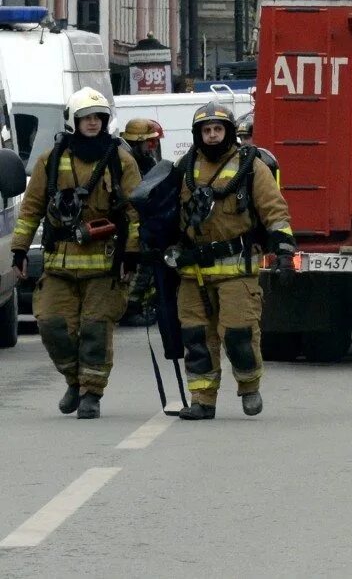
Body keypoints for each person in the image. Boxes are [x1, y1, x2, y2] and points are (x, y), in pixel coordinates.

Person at [9, 89, 141, 418]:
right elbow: (31, 210)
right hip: (59, 264)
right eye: (86, 118)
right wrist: (19, 250)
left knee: (96, 329)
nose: (92, 123)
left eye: (98, 117)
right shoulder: (50, 160)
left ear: (106, 121)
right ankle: (74, 380)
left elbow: (136, 214)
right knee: (52, 325)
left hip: (104, 264)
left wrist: (132, 254)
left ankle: (91, 394)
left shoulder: (120, 161)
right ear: (74, 121)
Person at [171, 103, 293, 420]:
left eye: (218, 129)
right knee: (197, 338)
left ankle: (249, 387)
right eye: (206, 130)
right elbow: (167, 217)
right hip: (193, 272)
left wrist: (283, 250)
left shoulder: (251, 167)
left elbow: (274, 211)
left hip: (237, 267)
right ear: (198, 134)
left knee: (238, 335)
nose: (212, 136)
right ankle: (202, 399)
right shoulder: (183, 168)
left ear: (228, 132)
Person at [236, 114, 280, 182]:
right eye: (241, 139)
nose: (242, 143)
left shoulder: (265, 159)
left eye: (246, 138)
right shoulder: (243, 157)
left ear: (257, 136)